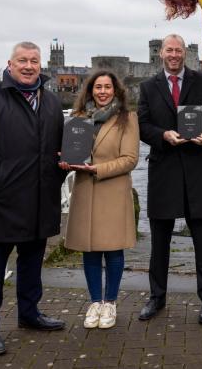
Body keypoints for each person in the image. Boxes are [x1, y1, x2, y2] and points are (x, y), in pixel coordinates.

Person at [0, 41, 67, 356]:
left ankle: (29, 313)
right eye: (22, 60)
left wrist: (59, 171)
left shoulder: (50, 102)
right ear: (10, 63)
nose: (29, 66)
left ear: (40, 64)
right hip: (1, 200)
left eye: (34, 61)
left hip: (40, 198)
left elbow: (57, 146)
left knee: (32, 263)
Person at [137, 34, 202, 324]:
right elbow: (142, 125)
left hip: (198, 170)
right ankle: (156, 297)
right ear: (160, 53)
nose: (174, 55)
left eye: (179, 50)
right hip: (164, 170)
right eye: (169, 50)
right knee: (160, 242)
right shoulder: (147, 87)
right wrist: (163, 135)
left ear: (185, 54)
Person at [60, 71, 139, 330]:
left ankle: (111, 302)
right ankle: (95, 301)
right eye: (97, 87)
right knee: (89, 249)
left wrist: (98, 169)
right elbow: (73, 151)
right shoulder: (78, 119)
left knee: (113, 249)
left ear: (115, 91)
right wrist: (64, 160)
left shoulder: (127, 119)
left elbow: (130, 159)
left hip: (112, 189)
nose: (102, 91)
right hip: (84, 190)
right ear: (90, 90)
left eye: (107, 87)